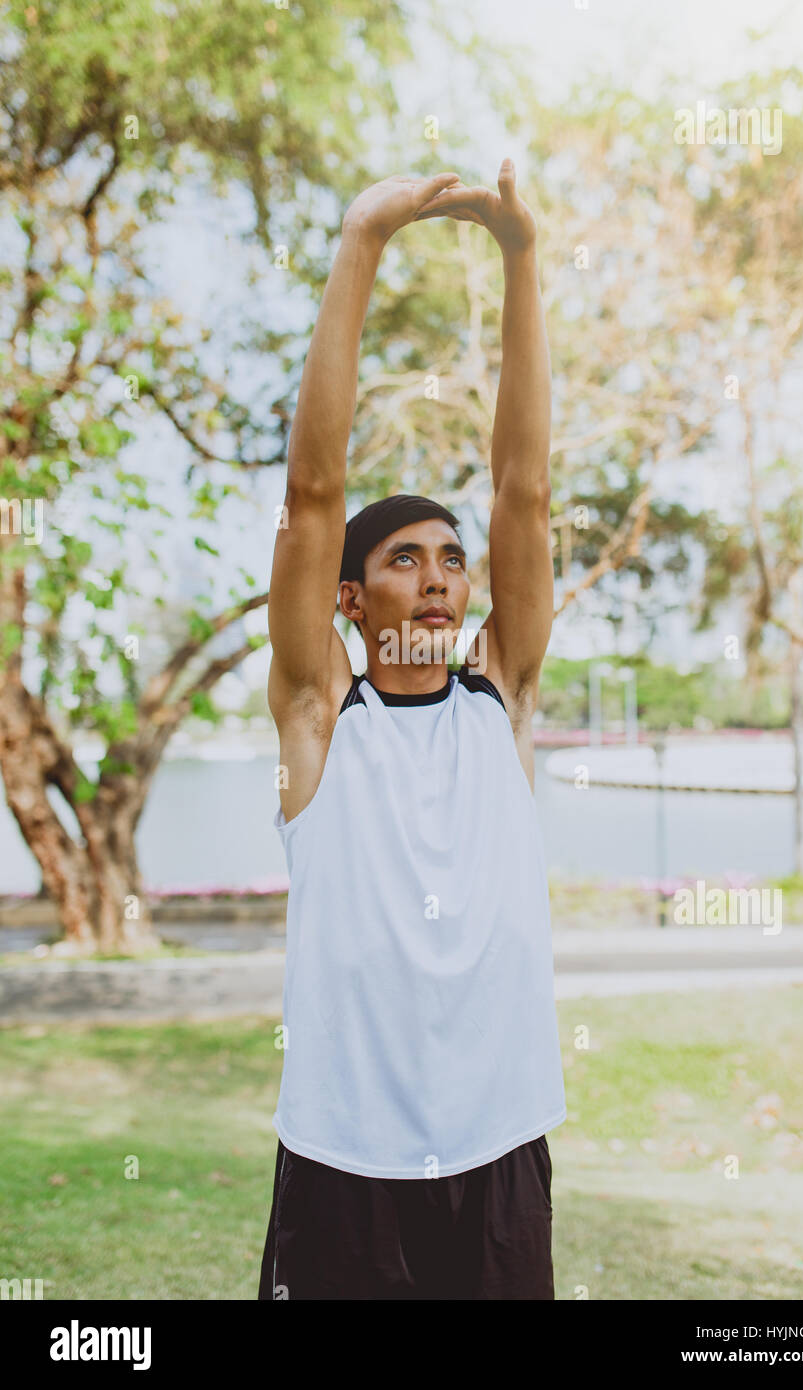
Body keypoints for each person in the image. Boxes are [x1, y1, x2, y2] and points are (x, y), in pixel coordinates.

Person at [257, 161, 566, 1300]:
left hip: (498, 1152)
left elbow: (523, 487)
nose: (437, 578)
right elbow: (311, 493)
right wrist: (360, 242)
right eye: (402, 559)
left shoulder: (500, 697)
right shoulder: (320, 717)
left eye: (450, 557)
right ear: (350, 598)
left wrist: (520, 257)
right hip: (346, 1163)